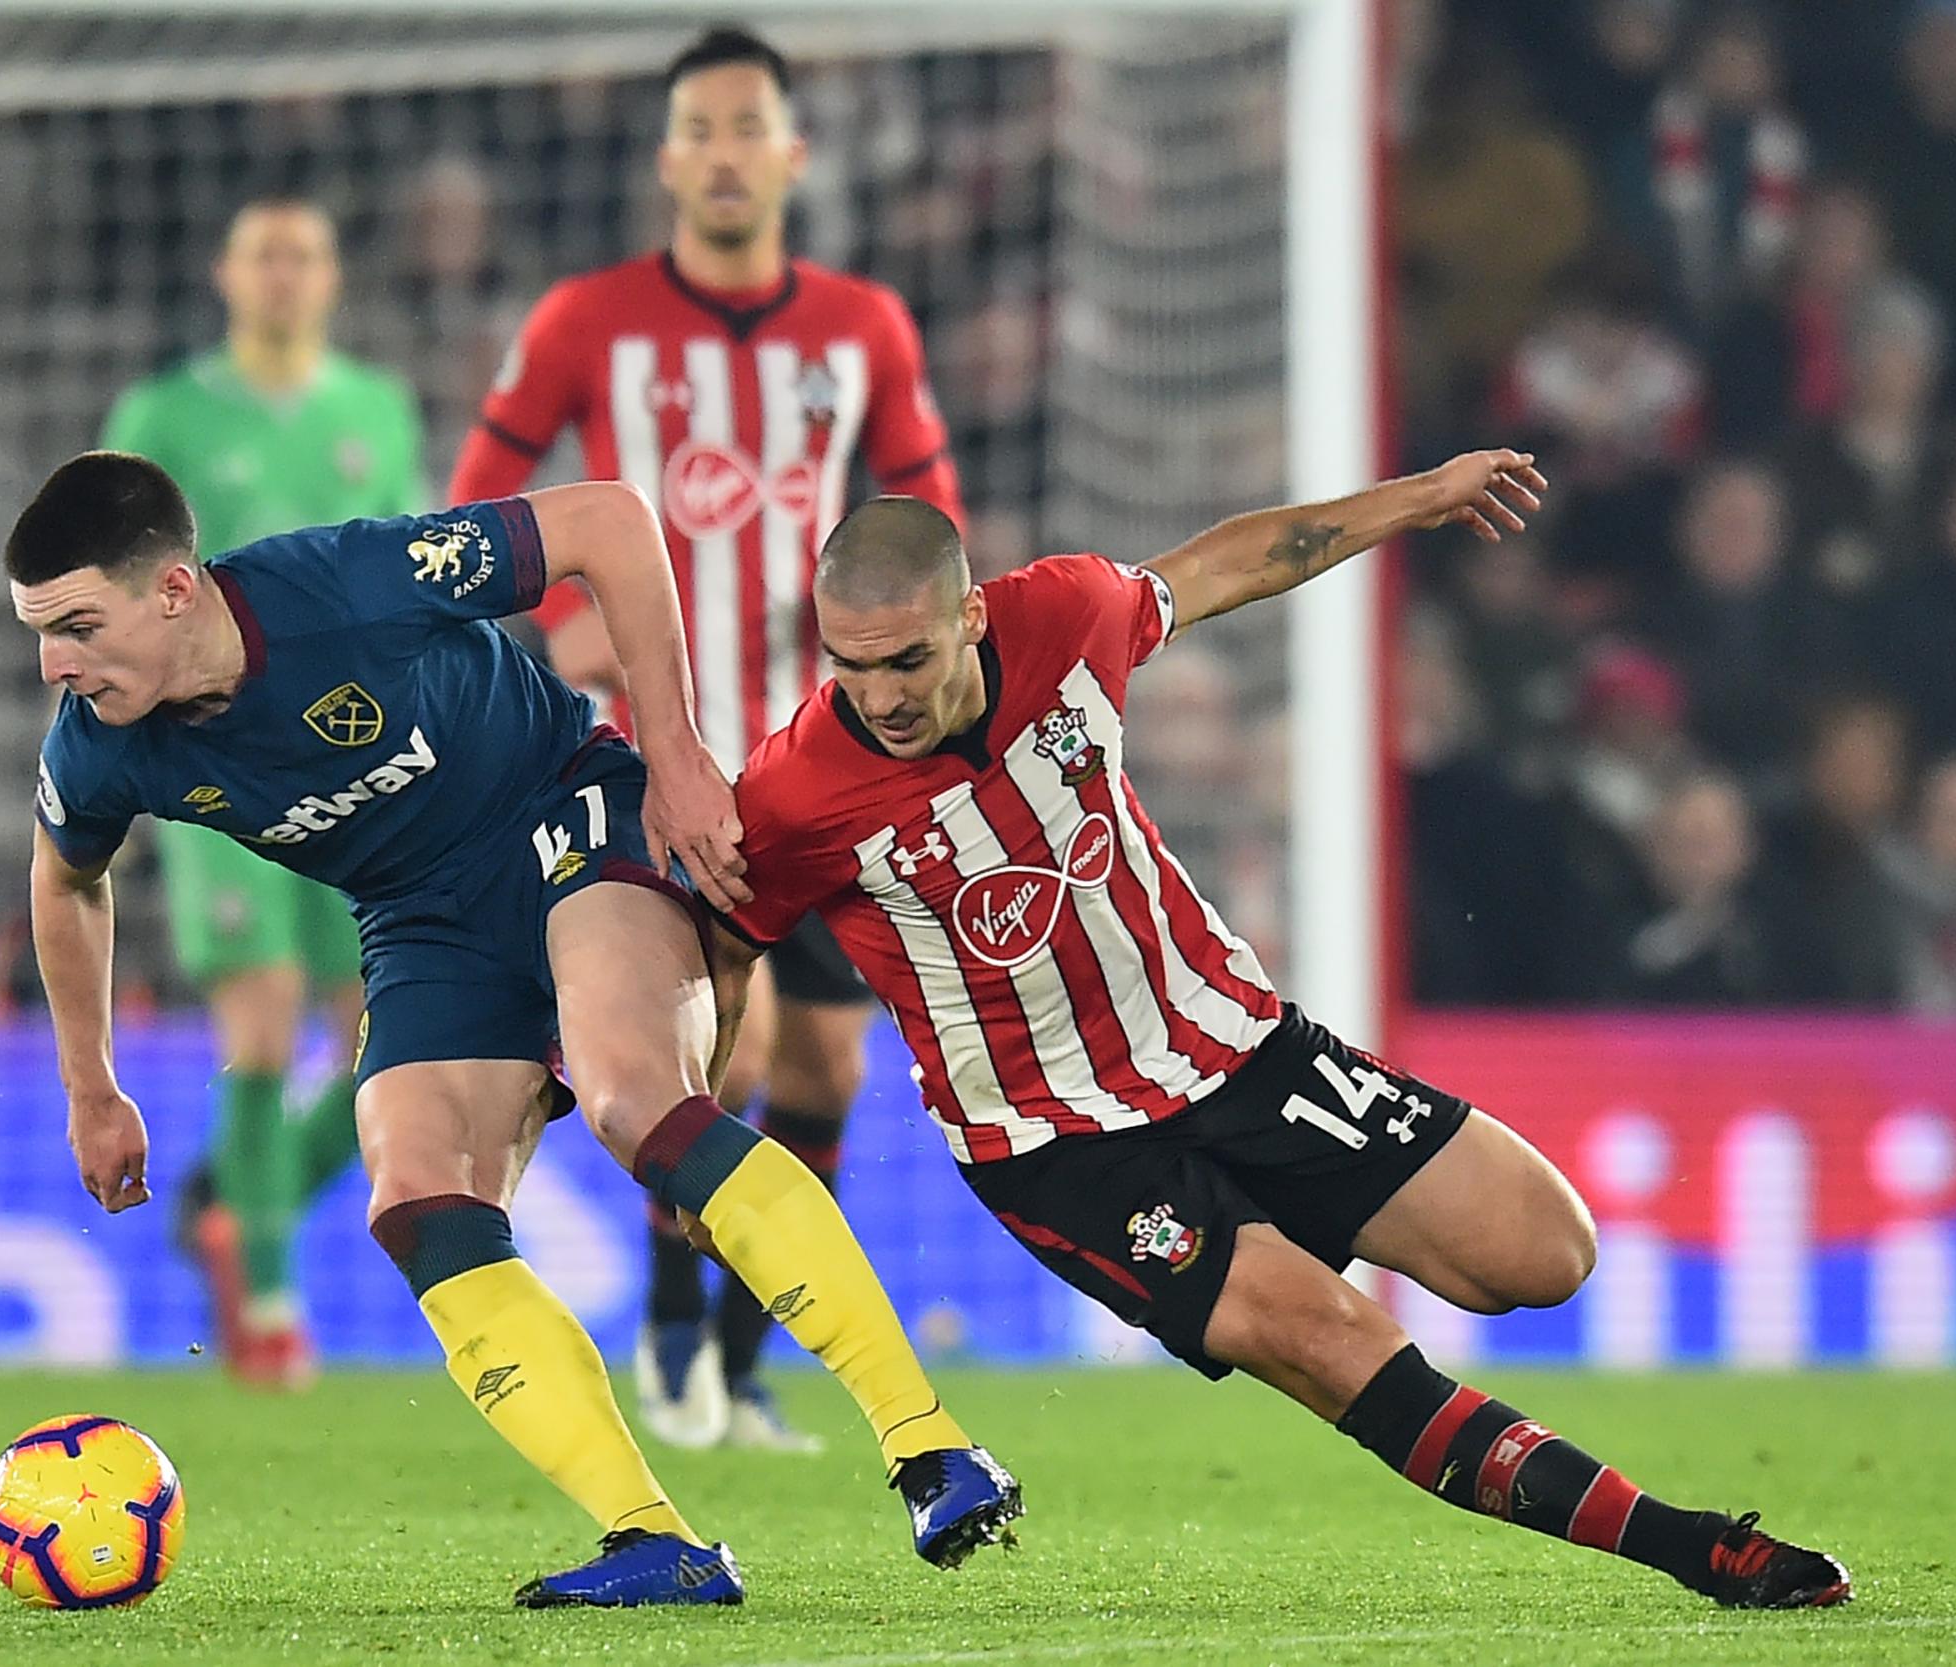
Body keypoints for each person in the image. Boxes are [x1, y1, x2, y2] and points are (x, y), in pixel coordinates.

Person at [701, 452, 1852, 1611]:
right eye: (850, 666)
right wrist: (702, 1131)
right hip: (1062, 1147)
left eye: (905, 660)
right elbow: (727, 945)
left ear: (968, 615)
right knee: (1332, 1336)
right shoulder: (795, 792)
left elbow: (1231, 562)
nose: (880, 696)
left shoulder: (1067, 614)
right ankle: (1692, 1546)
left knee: (1544, 1251)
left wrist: (1419, 498)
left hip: (1235, 1046)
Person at [7, 452, 1020, 1607]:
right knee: (416, 1194)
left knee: (630, 1097)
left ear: (174, 590)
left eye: (77, 626)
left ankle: (929, 1445)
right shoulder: (98, 742)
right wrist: (91, 1086)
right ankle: (655, 1539)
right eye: (41, 635)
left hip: (565, 812)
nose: (55, 665)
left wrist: (674, 752)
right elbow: (65, 878)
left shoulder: (345, 584)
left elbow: (609, 521)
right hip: (420, 920)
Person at [449, 23, 968, 1454]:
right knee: (712, 1060)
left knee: (827, 1072)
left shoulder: (864, 329)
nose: (726, 153)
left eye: (750, 127)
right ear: (666, 158)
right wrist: (565, 625)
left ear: (794, 154)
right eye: (701, 129)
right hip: (655, 760)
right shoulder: (586, 323)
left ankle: (737, 1372)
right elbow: (471, 515)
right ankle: (677, 1340)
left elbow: (934, 526)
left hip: (825, 762)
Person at [98, 197, 426, 1387]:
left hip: (355, 754)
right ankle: (275, 1314)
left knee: (380, 1026)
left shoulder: (376, 409)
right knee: (263, 1009)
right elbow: (105, 583)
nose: (283, 274)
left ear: (331, 277)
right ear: (225, 274)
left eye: (303, 255)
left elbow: (408, 575)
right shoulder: (162, 417)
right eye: (263, 255)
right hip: (211, 756)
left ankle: (239, 1207)